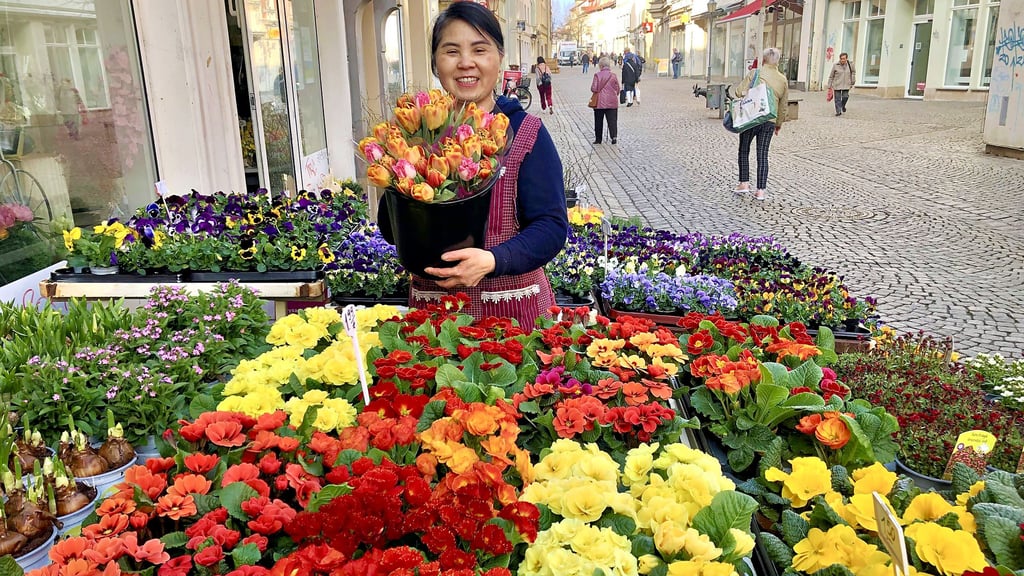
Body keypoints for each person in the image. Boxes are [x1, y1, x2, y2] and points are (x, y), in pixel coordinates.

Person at [382, 0, 568, 327]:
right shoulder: (415, 139)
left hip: (515, 318)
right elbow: (389, 229)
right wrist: (401, 181)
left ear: (499, 58)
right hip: (434, 317)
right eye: (451, 51)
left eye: (479, 50)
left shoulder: (526, 133)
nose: (466, 63)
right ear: (435, 63)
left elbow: (551, 227)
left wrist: (494, 259)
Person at [733, 47, 789, 201]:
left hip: (752, 117)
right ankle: (761, 191)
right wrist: (778, 124)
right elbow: (783, 105)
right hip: (769, 120)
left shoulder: (755, 73)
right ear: (777, 62)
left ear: (763, 60)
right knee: (762, 154)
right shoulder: (782, 79)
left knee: (744, 149)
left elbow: (738, 92)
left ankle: (744, 184)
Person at [590, 56, 620, 145]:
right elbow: (617, 89)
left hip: (599, 102)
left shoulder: (597, 75)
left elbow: (594, 88)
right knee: (612, 120)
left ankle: (598, 139)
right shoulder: (613, 76)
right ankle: (614, 137)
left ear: (600, 65)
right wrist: (613, 95)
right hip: (612, 102)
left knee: (598, 121)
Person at [827, 52, 855, 116]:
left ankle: (842, 106)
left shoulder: (850, 65)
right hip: (837, 84)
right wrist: (829, 85)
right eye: (841, 58)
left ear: (846, 58)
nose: (842, 60)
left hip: (846, 83)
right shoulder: (836, 65)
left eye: (844, 58)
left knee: (845, 96)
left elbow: (853, 73)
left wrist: (852, 81)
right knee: (837, 99)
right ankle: (838, 111)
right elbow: (831, 76)